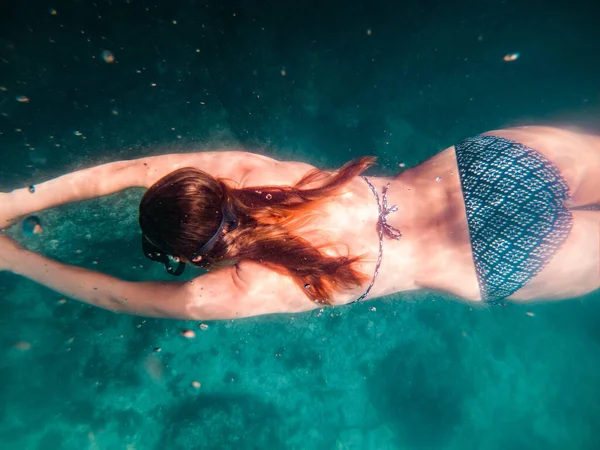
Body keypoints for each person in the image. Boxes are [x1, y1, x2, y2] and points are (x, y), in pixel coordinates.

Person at [0, 126, 598, 320]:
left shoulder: (241, 287)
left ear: (194, 257)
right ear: (208, 186)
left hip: (484, 260)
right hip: (485, 169)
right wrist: (14, 202)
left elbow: (123, 295)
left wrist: (15, 258)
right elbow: (130, 170)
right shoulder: (249, 172)